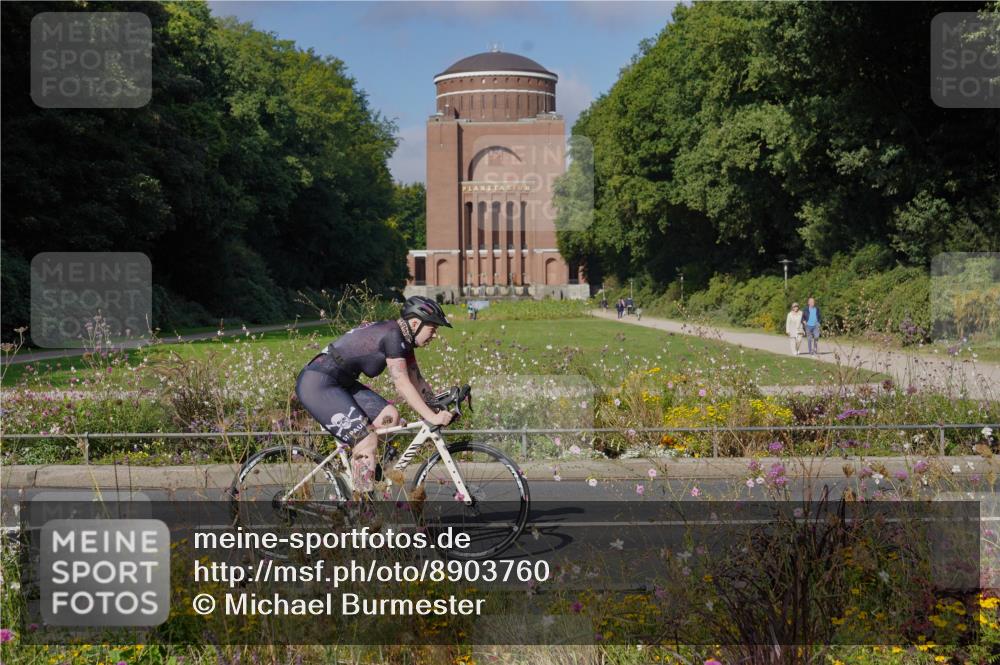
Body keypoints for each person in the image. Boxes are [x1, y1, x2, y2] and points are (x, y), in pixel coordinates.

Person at [295, 296, 454, 492]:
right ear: (415, 323)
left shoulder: (404, 339)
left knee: (390, 417)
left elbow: (417, 380)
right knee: (366, 439)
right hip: (318, 383)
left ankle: (365, 476)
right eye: (433, 328)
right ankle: (363, 509)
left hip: (341, 382)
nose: (435, 334)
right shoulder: (393, 336)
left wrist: (438, 406)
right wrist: (431, 416)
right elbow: (402, 383)